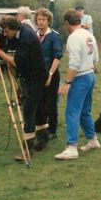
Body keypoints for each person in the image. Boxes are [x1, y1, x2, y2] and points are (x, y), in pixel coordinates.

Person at [0, 16, 48, 160]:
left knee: (28, 110)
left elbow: (17, 62)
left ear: (13, 28)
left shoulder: (26, 38)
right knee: (38, 107)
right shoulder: (22, 31)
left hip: (34, 76)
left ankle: (27, 150)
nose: (4, 34)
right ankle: (43, 139)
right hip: (36, 74)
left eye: (6, 31)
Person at [54, 9, 100, 160]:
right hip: (90, 75)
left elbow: (74, 64)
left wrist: (67, 82)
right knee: (85, 111)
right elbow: (96, 57)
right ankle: (93, 140)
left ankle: (72, 147)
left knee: (72, 112)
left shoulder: (73, 37)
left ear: (67, 23)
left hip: (80, 77)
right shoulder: (89, 34)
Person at [35, 8, 63, 140]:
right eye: (39, 19)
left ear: (48, 21)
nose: (41, 22)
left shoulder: (54, 36)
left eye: (43, 19)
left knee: (50, 102)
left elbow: (57, 57)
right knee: (38, 101)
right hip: (36, 74)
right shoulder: (34, 35)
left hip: (50, 72)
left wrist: (50, 75)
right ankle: (41, 128)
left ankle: (52, 130)